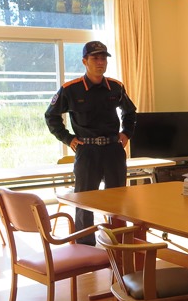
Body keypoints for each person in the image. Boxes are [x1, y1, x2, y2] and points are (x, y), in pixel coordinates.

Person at [45, 41, 137, 245]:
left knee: (117, 199)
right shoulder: (71, 89)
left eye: (103, 58)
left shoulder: (115, 86)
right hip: (87, 151)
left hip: (113, 149)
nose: (100, 62)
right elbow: (51, 116)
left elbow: (130, 112)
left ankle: (119, 243)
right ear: (84, 61)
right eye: (95, 58)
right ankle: (85, 246)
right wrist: (68, 138)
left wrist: (126, 133)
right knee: (84, 201)